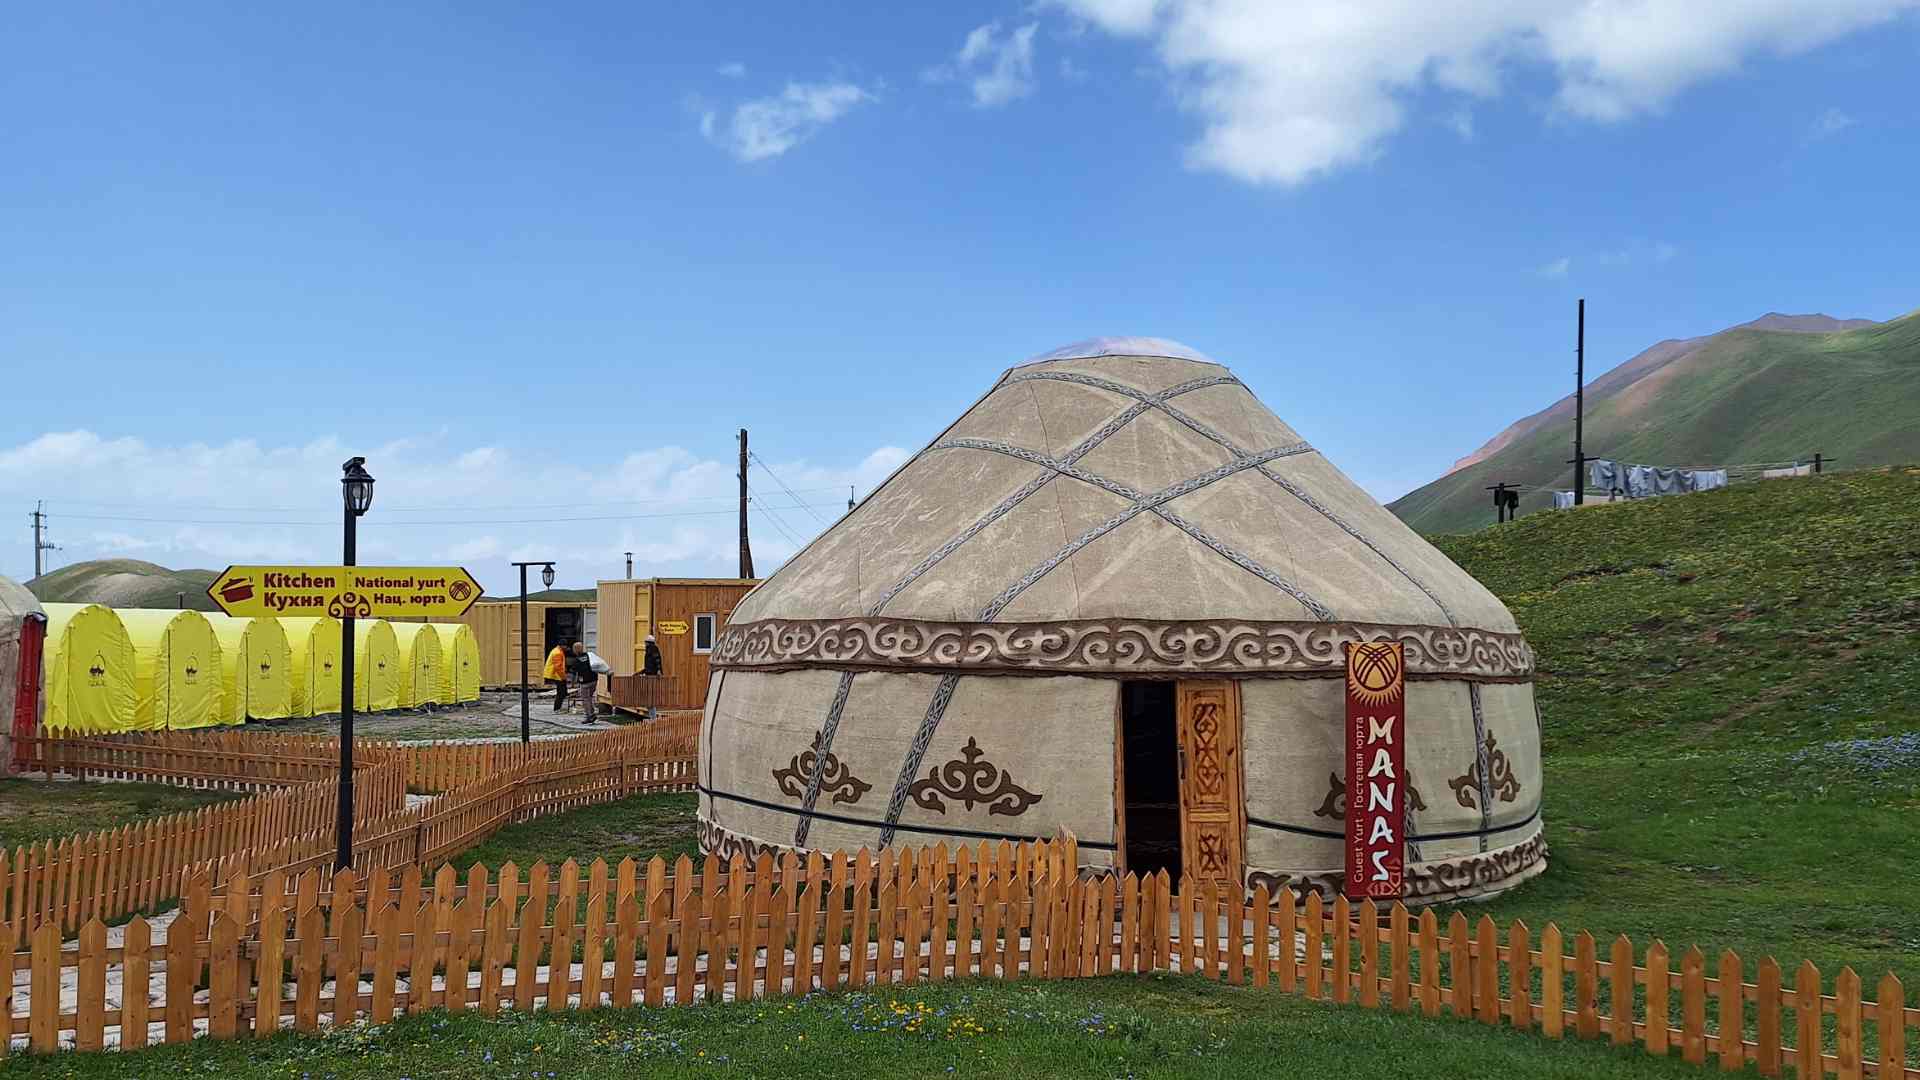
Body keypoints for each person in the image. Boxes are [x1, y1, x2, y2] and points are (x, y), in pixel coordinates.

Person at [545, 639, 570, 711]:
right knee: (561, 692)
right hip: (557, 675)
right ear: (562, 646)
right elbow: (558, 667)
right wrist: (564, 677)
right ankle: (557, 708)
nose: (566, 648)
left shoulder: (557, 650)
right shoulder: (558, 653)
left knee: (563, 692)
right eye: (565, 646)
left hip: (557, 674)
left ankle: (559, 707)